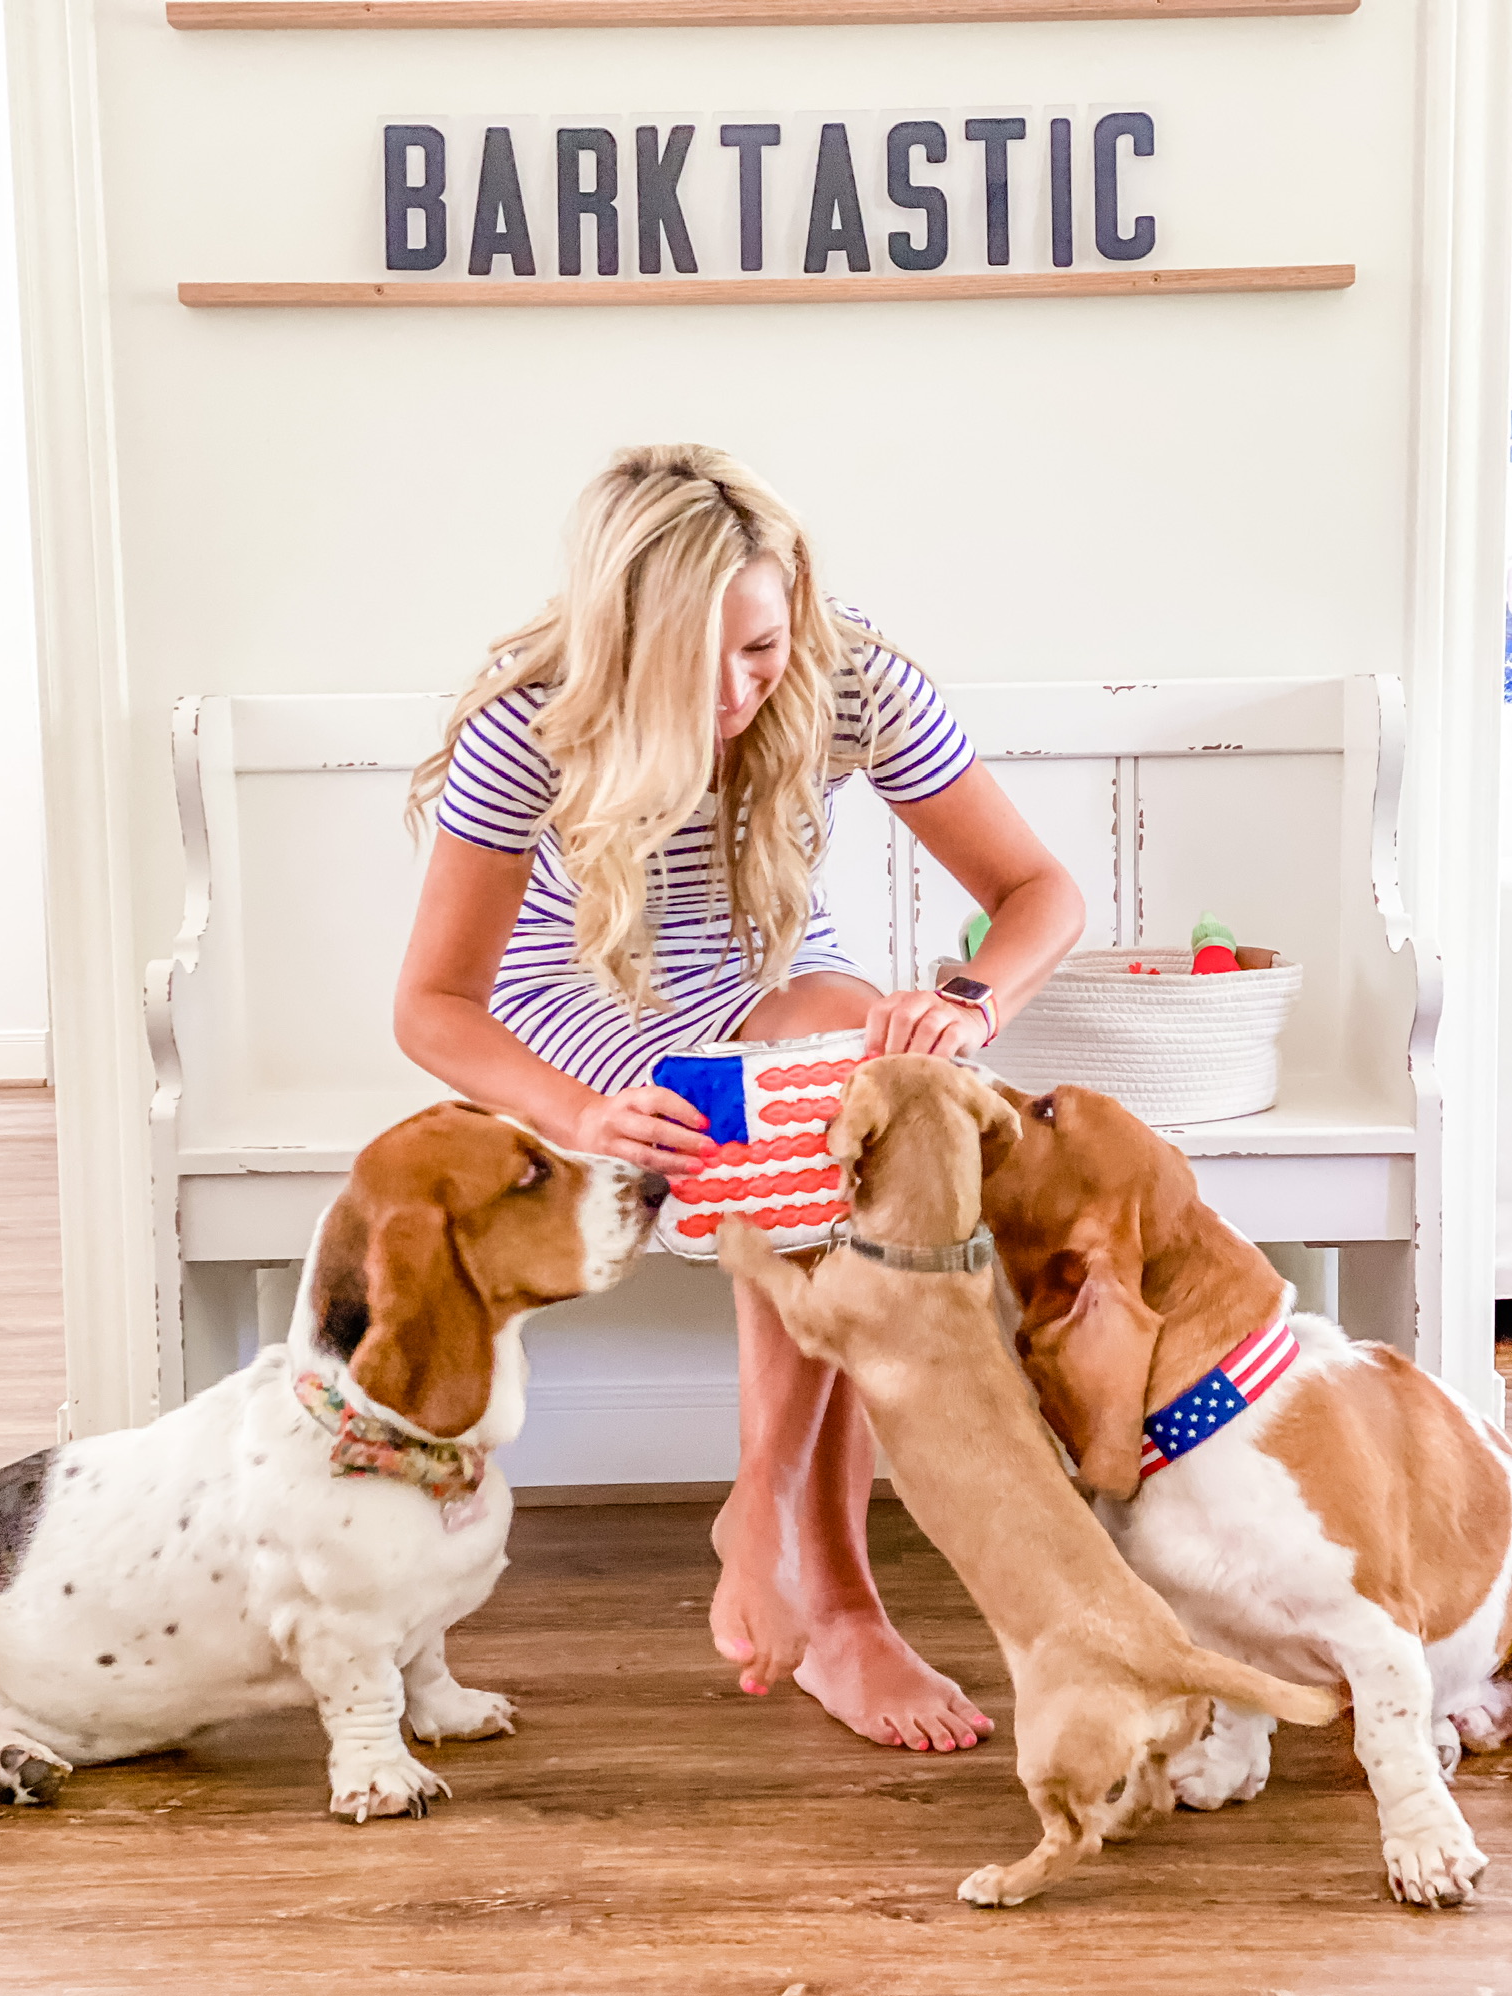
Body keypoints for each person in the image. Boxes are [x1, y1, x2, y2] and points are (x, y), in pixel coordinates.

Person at [396, 445, 1085, 1753]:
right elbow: (434, 1005)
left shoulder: (854, 674)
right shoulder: (527, 722)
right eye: (688, 662)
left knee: (871, 1077)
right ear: (617, 645)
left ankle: (763, 1500)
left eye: (759, 650)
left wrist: (967, 1002)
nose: (731, 692)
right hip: (583, 1010)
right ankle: (830, 1594)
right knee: (795, 1113)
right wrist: (586, 1117)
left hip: (771, 978)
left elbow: (1039, 892)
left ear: (796, 613)